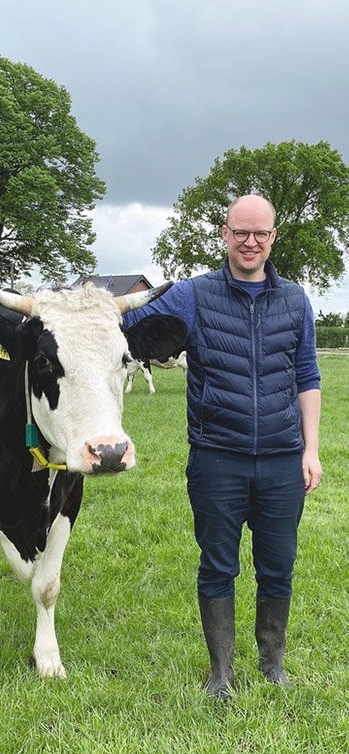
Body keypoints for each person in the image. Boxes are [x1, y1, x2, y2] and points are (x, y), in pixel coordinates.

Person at [123, 194, 322, 699]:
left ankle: (272, 663)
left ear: (274, 237)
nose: (250, 241)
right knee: (218, 564)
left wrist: (311, 449)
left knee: (277, 564)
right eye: (240, 232)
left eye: (260, 233)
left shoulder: (296, 301)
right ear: (226, 235)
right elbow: (125, 324)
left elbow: (306, 375)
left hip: (281, 459)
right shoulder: (193, 295)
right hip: (217, 459)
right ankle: (221, 673)